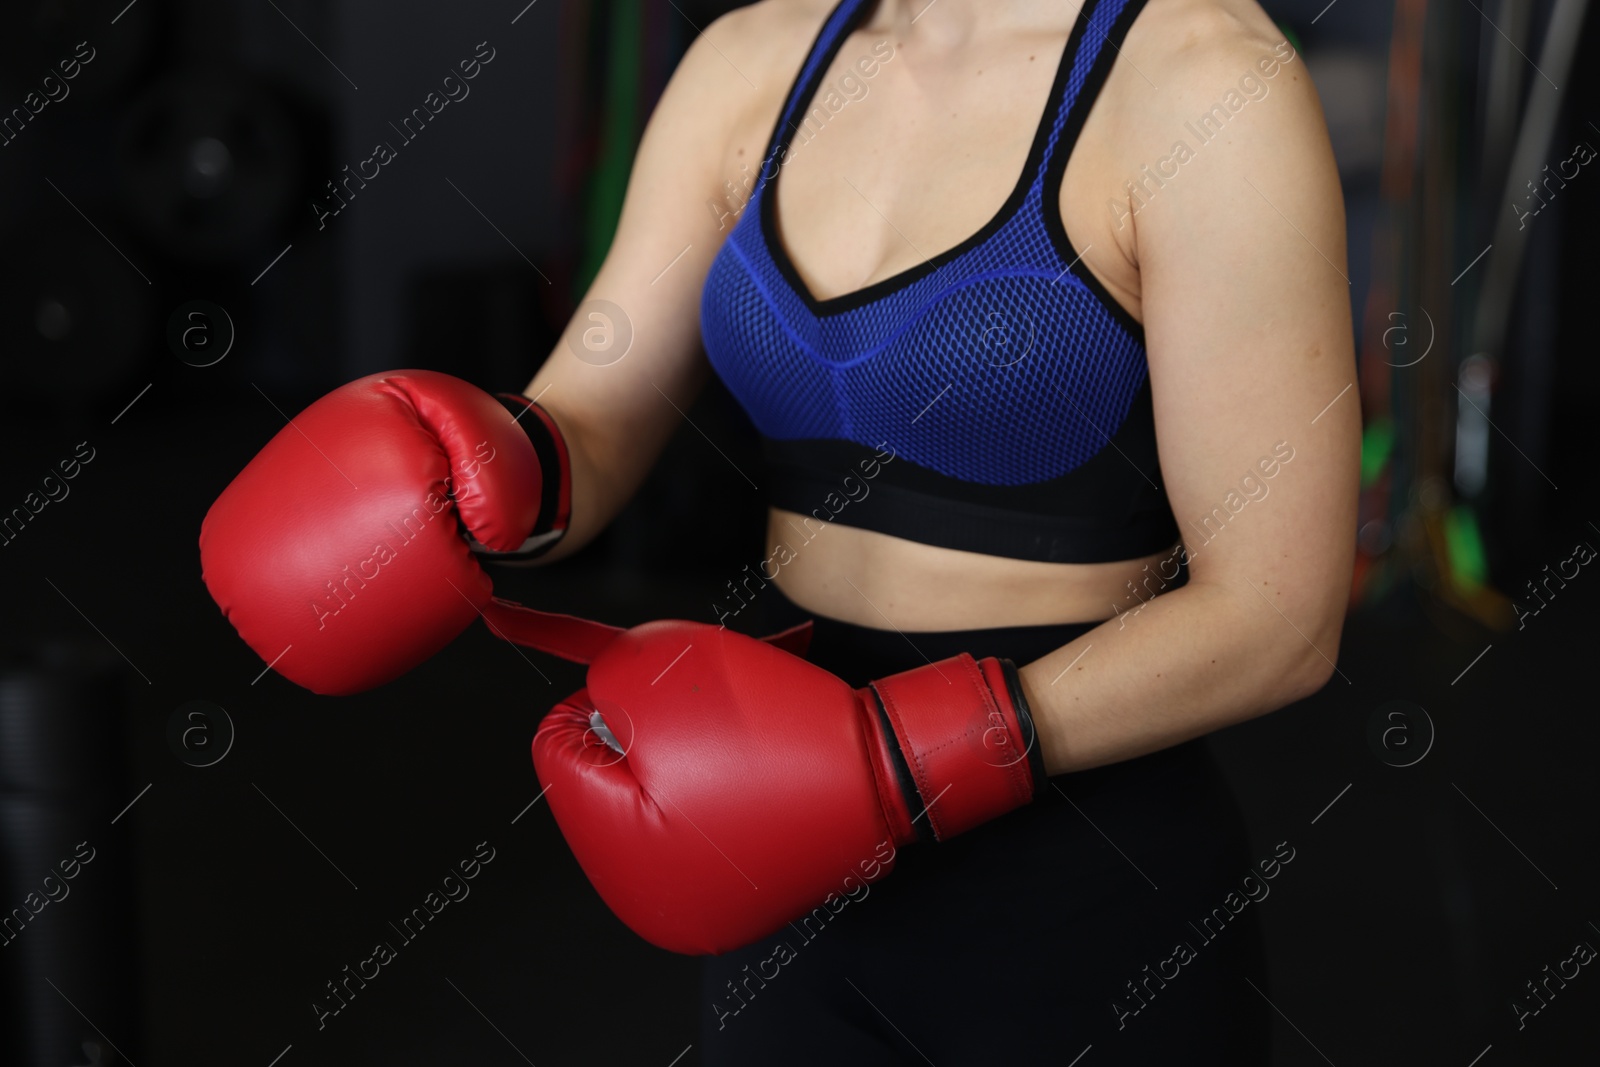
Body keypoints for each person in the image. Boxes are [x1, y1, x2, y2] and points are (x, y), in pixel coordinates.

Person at [201, 0, 1356, 1060]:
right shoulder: (753, 61)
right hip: (775, 831)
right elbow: (591, 416)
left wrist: (901, 757)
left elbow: (1277, 615)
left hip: (1080, 872)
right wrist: (484, 464)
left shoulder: (1204, 83)